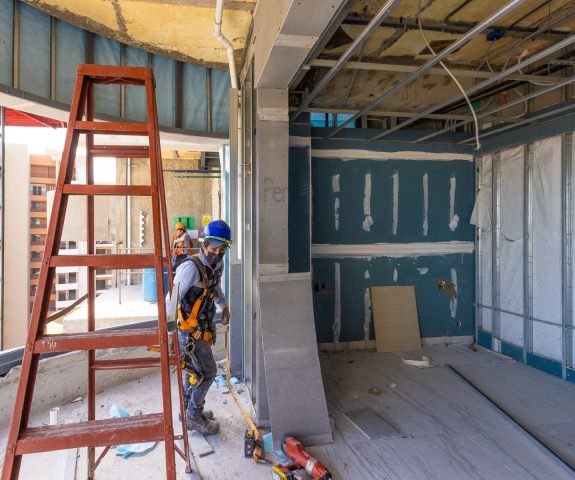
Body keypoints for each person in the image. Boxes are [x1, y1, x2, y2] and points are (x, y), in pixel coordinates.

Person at [166, 219, 231, 435]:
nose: (218, 254)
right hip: (188, 331)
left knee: (193, 371)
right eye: (215, 249)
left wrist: (224, 306)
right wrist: (170, 333)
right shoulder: (190, 268)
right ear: (204, 244)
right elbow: (171, 300)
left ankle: (187, 411)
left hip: (202, 328)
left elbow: (215, 286)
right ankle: (194, 416)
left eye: (222, 250)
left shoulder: (217, 263)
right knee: (208, 372)